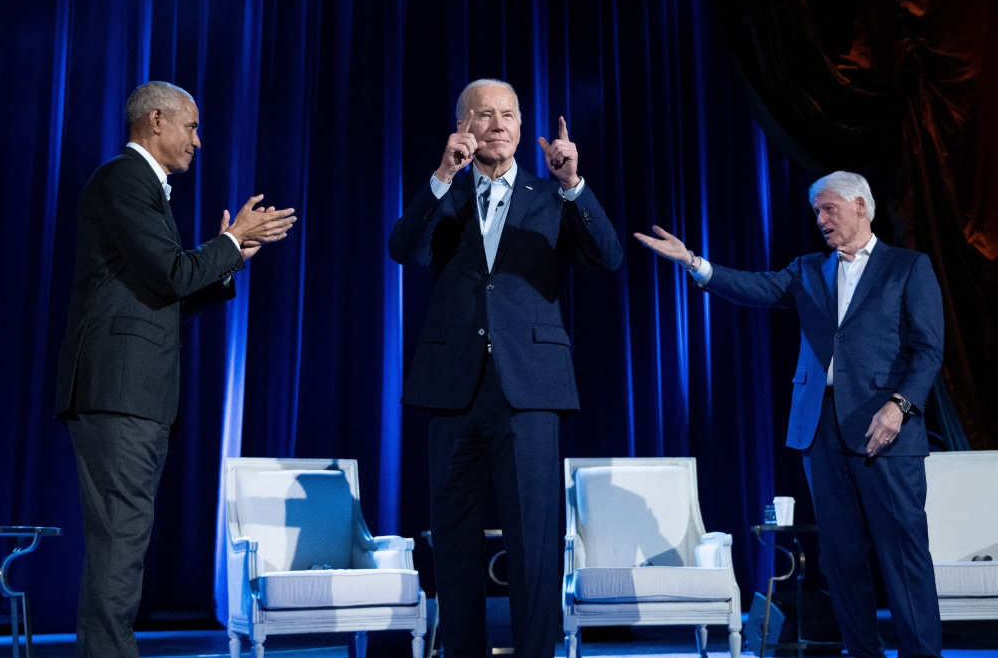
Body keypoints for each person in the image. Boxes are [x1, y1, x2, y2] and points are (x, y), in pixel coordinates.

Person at [635, 171, 944, 658]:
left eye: (828, 208)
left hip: (886, 428)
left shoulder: (907, 267)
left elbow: (928, 351)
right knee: (842, 559)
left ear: (860, 206)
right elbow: (755, 288)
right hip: (820, 428)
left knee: (903, 553)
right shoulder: (807, 270)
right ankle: (863, 653)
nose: (819, 219)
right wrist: (695, 262)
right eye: (816, 211)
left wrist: (899, 406)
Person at [55, 81, 296, 658]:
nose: (198, 141)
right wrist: (231, 243)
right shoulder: (123, 179)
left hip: (134, 396)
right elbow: (170, 274)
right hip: (118, 395)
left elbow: (165, 293)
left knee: (123, 544)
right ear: (156, 121)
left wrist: (227, 258)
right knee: (120, 544)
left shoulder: (144, 189)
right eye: (190, 127)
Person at [389, 79, 623, 658]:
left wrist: (573, 184)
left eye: (510, 114)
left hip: (530, 387)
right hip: (452, 386)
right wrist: (442, 176)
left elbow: (609, 258)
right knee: (455, 541)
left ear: (522, 128)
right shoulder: (447, 193)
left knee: (534, 541)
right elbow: (402, 248)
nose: (498, 123)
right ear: (462, 126)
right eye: (484, 114)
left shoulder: (551, 198)